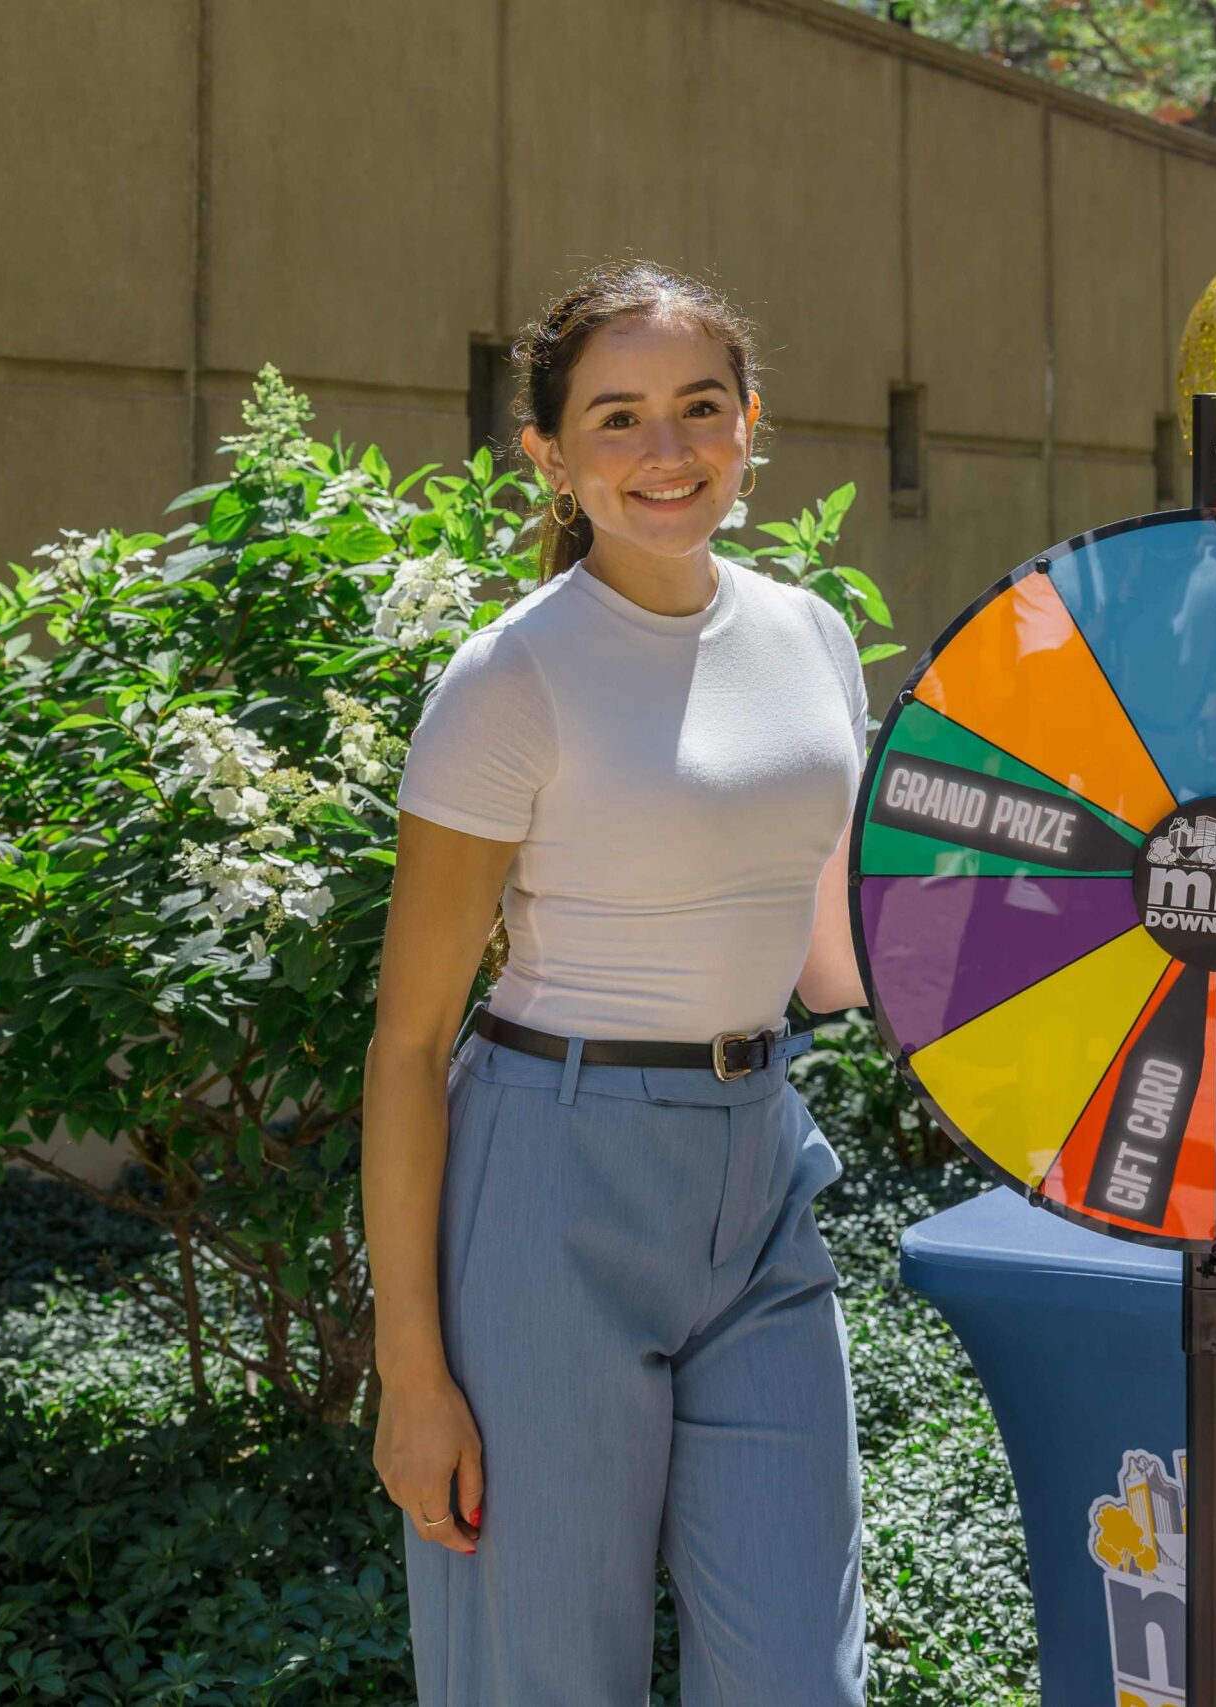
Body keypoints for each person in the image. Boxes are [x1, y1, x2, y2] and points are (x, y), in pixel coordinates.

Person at [361, 262, 871, 1704]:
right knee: (542, 1675)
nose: (668, 454)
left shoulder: (809, 638)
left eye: (700, 410)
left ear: (750, 423)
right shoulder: (509, 681)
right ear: (551, 452)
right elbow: (408, 1043)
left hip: (759, 1172)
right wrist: (413, 1372)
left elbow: (825, 956)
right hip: (551, 1177)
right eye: (620, 419)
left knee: (797, 1673)